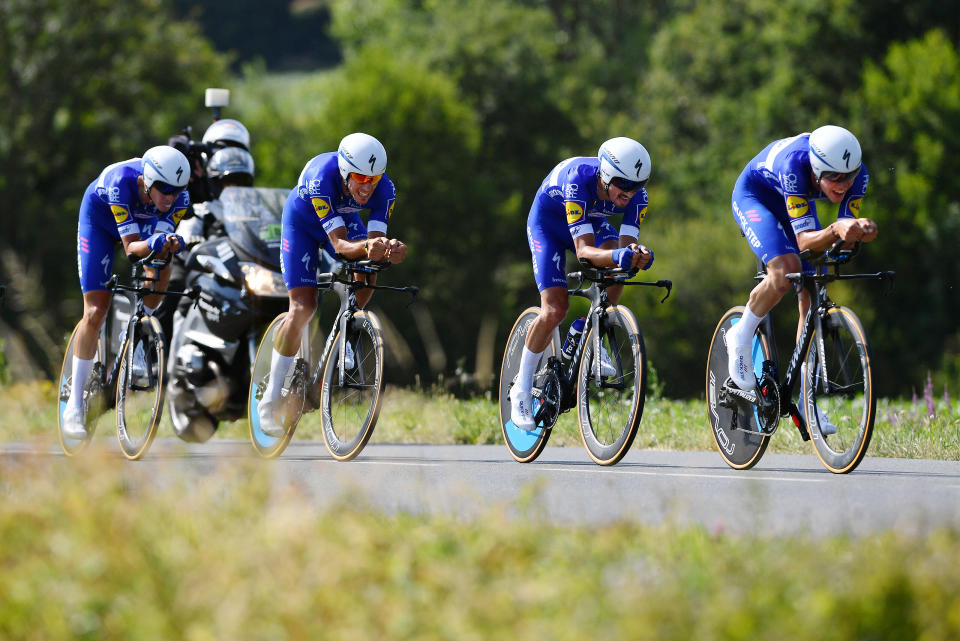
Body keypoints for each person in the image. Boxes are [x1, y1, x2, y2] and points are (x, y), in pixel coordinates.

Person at [725, 125, 878, 434]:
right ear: (817, 168)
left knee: (811, 287)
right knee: (784, 272)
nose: (842, 184)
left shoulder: (857, 175)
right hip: (756, 197)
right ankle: (740, 335)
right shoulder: (796, 165)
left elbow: (843, 233)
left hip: (793, 204)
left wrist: (861, 229)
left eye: (847, 177)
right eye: (834, 178)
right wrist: (837, 229)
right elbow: (807, 240)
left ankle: (807, 399)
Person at [257, 132, 407, 436]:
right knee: (303, 307)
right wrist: (368, 247)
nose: (366, 188)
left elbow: (373, 245)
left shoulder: (385, 189)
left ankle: (346, 332)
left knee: (369, 269)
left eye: (373, 180)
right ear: (343, 171)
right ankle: (269, 400)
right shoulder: (320, 178)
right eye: (359, 178)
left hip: (341, 220)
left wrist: (391, 250)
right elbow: (339, 245)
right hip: (302, 224)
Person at [509, 137, 656, 431]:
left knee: (619, 270)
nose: (629, 193)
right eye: (623, 185)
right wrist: (619, 255)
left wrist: (637, 256)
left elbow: (626, 247)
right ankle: (521, 388)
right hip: (548, 226)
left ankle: (589, 332)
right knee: (554, 309)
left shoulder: (637, 196)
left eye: (637, 186)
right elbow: (585, 252)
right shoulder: (578, 179)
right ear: (604, 175)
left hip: (590, 220)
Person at [62, 146, 190, 438]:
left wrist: (167, 244)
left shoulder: (179, 198)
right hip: (100, 222)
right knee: (95, 310)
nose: (171, 197)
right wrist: (157, 241)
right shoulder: (121, 182)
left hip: (141, 223)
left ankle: (139, 333)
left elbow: (158, 249)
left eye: (177, 190)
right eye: (165, 189)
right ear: (147, 180)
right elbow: (133, 250)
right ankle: (74, 406)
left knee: (162, 264)